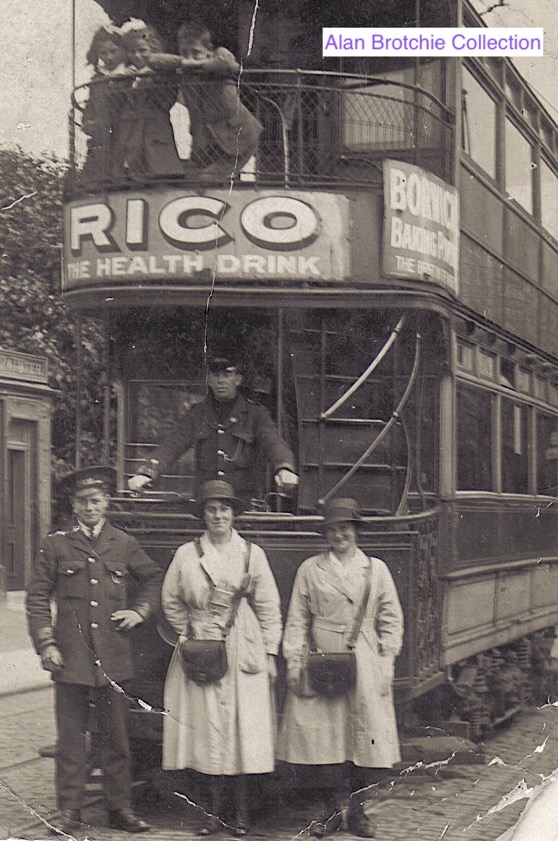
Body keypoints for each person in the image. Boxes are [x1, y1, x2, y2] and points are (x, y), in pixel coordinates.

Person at [26, 466, 164, 835]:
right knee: (71, 743)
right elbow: (37, 597)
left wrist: (140, 611)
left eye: (97, 500)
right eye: (83, 501)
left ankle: (120, 810)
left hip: (113, 659)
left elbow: (153, 578)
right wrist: (45, 643)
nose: (90, 507)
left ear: (106, 503)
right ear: (73, 505)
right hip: (69, 659)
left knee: (116, 741)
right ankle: (69, 812)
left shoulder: (122, 543)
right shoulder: (55, 545)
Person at [276, 497, 404, 838]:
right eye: (333, 529)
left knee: (362, 739)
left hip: (363, 657)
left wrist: (387, 659)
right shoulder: (310, 569)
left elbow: (391, 619)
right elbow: (297, 618)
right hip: (320, 657)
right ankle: (329, 811)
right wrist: (293, 660)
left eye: (345, 528)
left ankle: (359, 813)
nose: (339, 535)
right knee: (323, 739)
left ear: (356, 531)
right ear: (326, 533)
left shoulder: (375, 570)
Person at [161, 480, 282, 836]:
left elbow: (269, 605)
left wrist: (270, 653)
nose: (218, 515)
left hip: (243, 641)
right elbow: (170, 599)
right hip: (202, 648)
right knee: (206, 731)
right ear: (203, 514)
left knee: (242, 729)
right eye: (211, 509)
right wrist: (190, 630)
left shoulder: (250, 554)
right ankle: (210, 813)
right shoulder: (187, 554)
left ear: (233, 514)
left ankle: (242, 814)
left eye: (224, 509)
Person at [128, 356, 298, 503]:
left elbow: (273, 442)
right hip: (206, 502)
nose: (221, 381)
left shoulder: (255, 414)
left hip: (242, 503)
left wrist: (284, 468)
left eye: (227, 375)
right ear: (209, 379)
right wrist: (147, 472)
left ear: (238, 379)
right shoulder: (197, 413)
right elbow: (173, 444)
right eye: (216, 375)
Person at [143, 21, 262, 178]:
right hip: (206, 141)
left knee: (205, 180)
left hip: (240, 137)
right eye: (185, 53)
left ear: (209, 50)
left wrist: (197, 64)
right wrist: (183, 63)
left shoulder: (219, 55)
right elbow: (152, 60)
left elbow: (229, 64)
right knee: (195, 180)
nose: (190, 58)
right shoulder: (182, 67)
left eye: (196, 52)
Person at [112, 22, 183, 180]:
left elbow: (166, 101)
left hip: (154, 128)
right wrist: (121, 81)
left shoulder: (163, 74)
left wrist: (152, 80)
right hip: (130, 131)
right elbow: (116, 101)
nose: (137, 56)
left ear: (154, 50)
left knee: (159, 172)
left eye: (142, 50)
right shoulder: (127, 74)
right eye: (132, 51)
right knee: (131, 173)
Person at [80, 25, 133, 185]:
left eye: (113, 51)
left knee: (121, 176)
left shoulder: (129, 75)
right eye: (103, 53)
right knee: (95, 177)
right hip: (101, 136)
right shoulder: (98, 79)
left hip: (123, 134)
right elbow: (92, 104)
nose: (109, 57)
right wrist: (87, 121)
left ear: (123, 50)